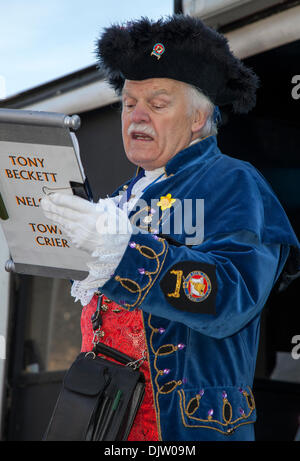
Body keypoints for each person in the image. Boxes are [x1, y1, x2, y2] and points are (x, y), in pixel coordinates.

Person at [41, 15, 300, 441]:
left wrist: (120, 252)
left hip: (185, 427)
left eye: (157, 104)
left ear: (198, 119)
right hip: (108, 417)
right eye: (128, 103)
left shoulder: (234, 182)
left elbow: (231, 296)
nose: (136, 116)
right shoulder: (124, 195)